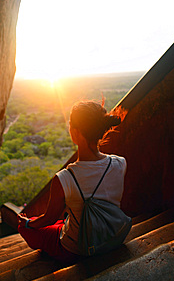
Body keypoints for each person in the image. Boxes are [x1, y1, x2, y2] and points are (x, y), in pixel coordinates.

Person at [18, 100, 127, 264]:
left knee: (26, 227)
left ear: (75, 133)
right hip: (114, 236)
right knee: (65, 220)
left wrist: (27, 223)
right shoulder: (120, 163)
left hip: (78, 249)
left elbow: (49, 219)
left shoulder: (65, 178)